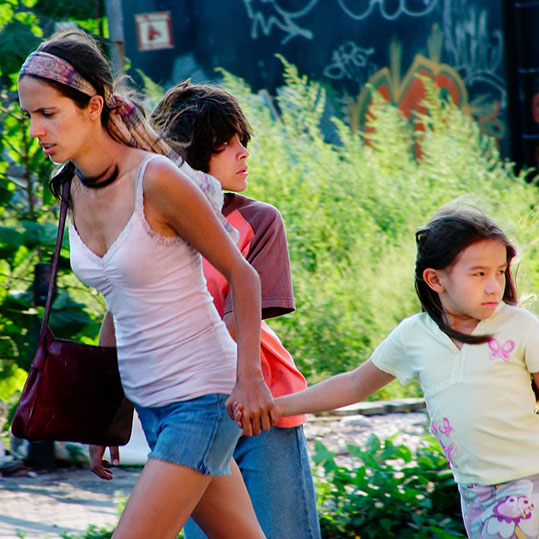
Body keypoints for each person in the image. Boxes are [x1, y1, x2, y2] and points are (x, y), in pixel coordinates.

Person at [17, 29, 276, 539]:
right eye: (28, 116)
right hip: (152, 405)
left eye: (48, 113)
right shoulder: (69, 189)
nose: (37, 129)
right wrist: (101, 417)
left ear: (93, 105)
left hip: (203, 397)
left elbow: (242, 275)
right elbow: (119, 301)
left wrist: (249, 378)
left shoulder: (155, 179)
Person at [237, 202, 539, 538]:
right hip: (472, 492)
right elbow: (353, 384)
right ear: (435, 279)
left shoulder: (521, 327)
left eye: (500, 271)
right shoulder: (414, 335)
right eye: (479, 273)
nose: (494, 285)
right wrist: (276, 406)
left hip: (528, 483)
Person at [150, 80, 321, 539]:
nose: (243, 153)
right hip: (189, 409)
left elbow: (235, 321)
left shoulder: (259, 220)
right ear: (189, 152)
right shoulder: (149, 225)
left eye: (242, 141)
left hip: (260, 401)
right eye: (226, 144)